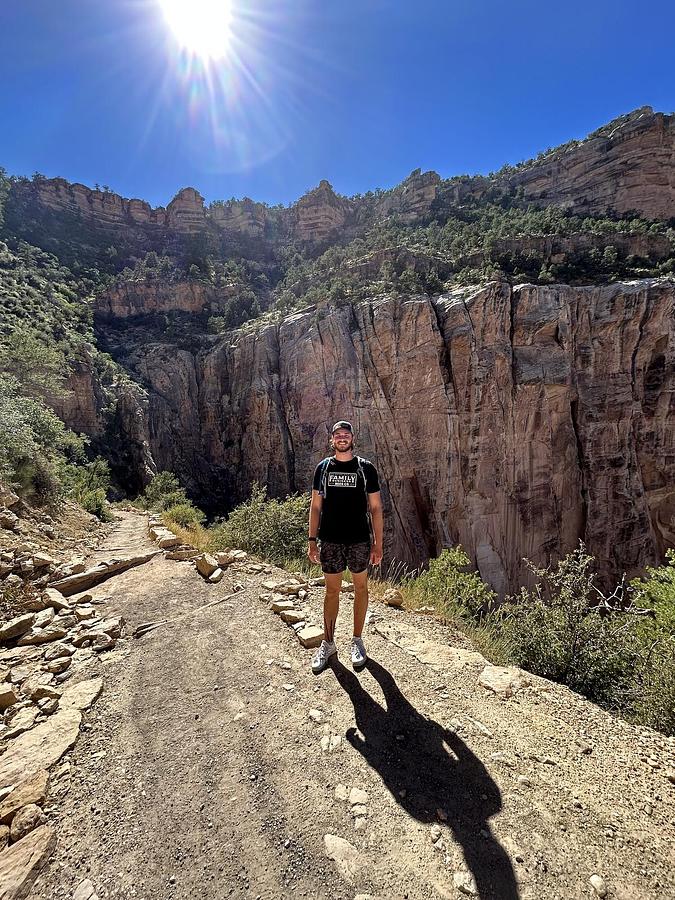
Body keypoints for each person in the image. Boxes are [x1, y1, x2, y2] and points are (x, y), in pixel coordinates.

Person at [307, 421, 383, 674]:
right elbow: (315, 506)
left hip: (359, 540)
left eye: (346, 435)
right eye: (338, 435)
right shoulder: (324, 468)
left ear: (352, 438)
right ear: (332, 440)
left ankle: (357, 641)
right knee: (332, 591)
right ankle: (328, 644)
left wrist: (377, 543)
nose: (342, 438)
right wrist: (312, 540)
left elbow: (375, 508)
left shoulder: (365, 468)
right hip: (330, 539)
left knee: (361, 588)